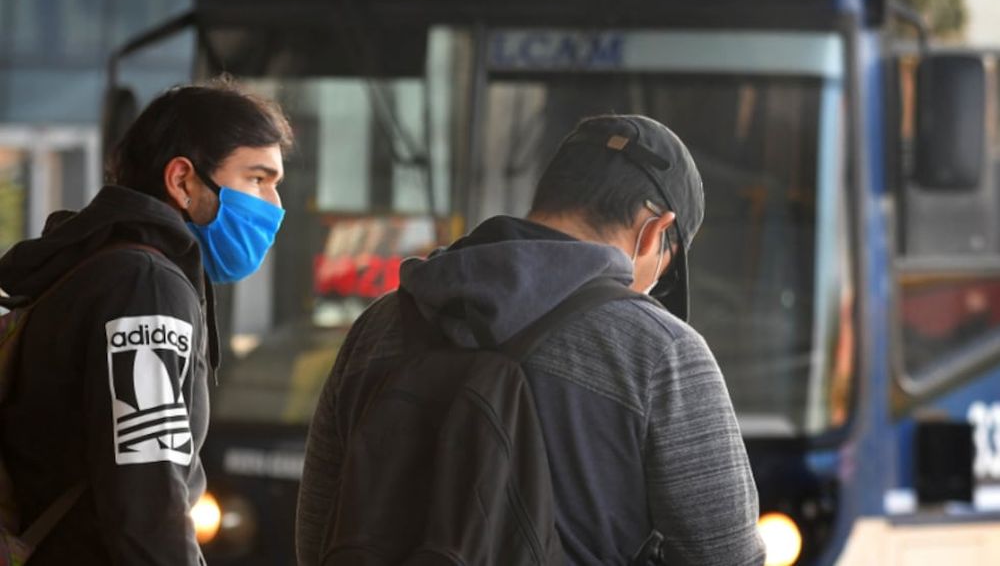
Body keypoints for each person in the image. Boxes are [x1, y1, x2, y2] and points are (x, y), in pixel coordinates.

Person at [296, 114, 765, 565]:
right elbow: (726, 555)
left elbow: (317, 536)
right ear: (654, 231)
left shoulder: (380, 325)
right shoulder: (660, 350)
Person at [0, 80, 292, 565]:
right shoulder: (145, 288)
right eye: (257, 180)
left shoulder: (98, 267)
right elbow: (147, 504)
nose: (274, 207)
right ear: (182, 180)